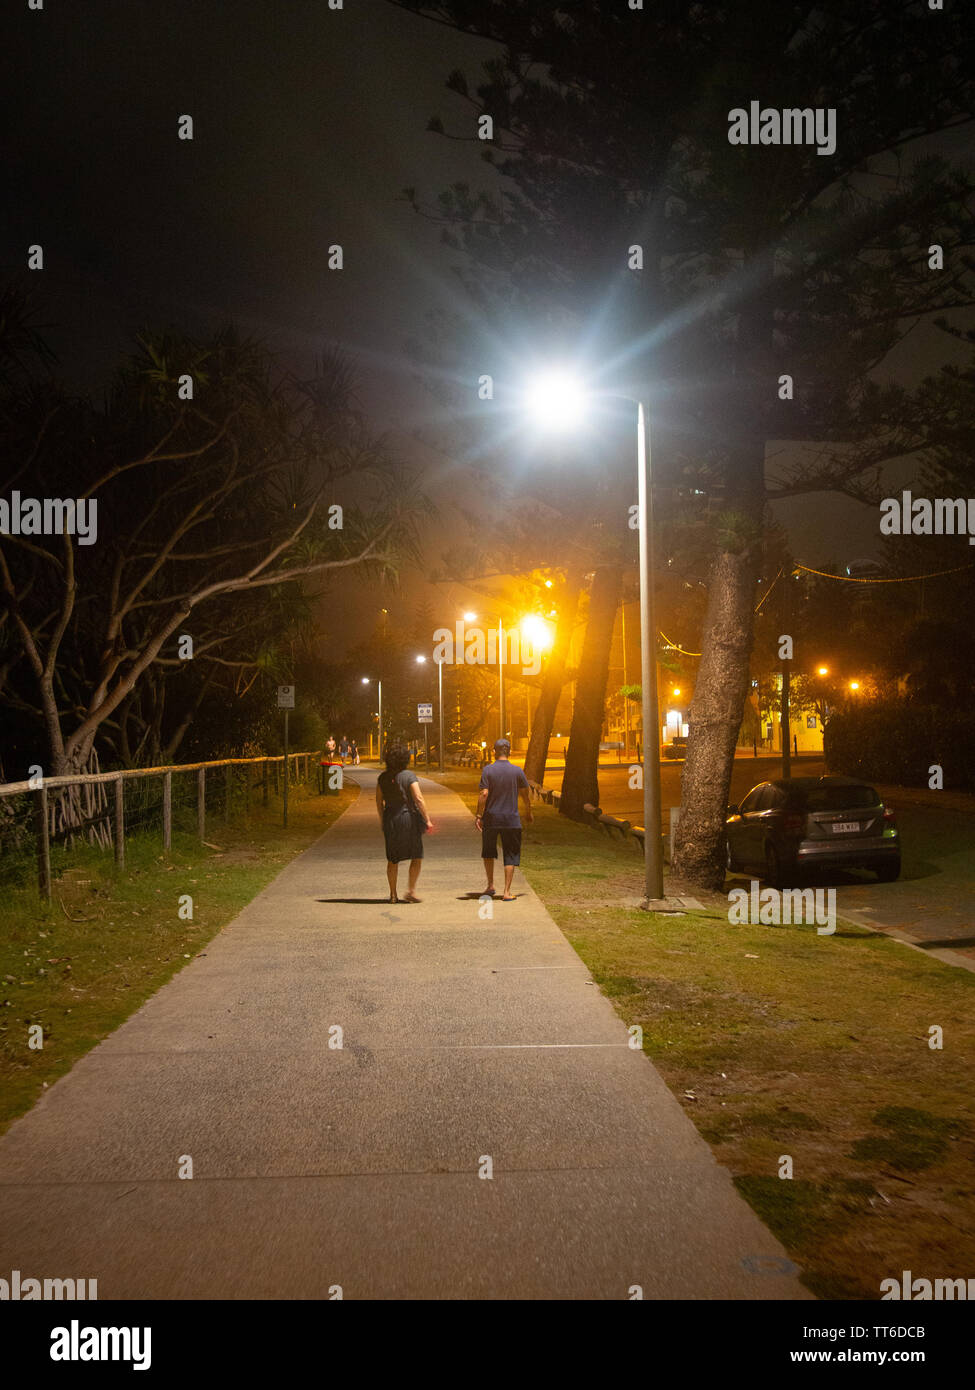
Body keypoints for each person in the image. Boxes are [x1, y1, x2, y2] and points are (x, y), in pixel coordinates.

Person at [475, 738, 533, 901]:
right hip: (511, 820)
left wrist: (479, 815)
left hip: (491, 819)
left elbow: (483, 794)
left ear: (494, 752)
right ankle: (506, 892)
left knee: (488, 852)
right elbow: (525, 795)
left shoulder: (488, 770)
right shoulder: (517, 771)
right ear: (509, 752)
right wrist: (528, 812)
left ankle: (490, 885)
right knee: (510, 854)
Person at [376, 740, 432, 903]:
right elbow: (418, 798)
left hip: (390, 819)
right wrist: (427, 819)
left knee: (393, 858)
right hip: (408, 818)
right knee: (416, 854)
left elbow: (379, 802)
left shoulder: (383, 778)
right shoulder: (409, 776)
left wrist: (382, 820)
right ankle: (411, 891)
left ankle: (393, 895)